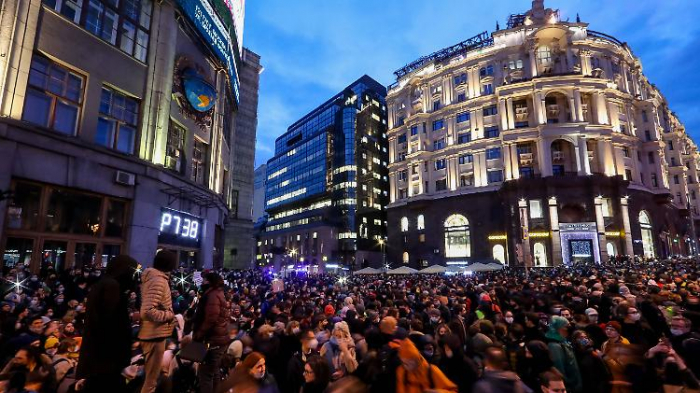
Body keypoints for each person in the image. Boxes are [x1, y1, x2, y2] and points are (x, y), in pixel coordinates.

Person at [77, 254, 138, 393]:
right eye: (132, 271)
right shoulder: (112, 286)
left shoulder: (102, 284)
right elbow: (112, 322)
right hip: (107, 358)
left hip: (98, 355)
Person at [138, 250, 177, 393]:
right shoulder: (159, 281)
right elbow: (147, 311)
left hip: (154, 333)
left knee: (151, 377)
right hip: (154, 334)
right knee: (151, 381)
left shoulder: (154, 278)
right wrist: (169, 315)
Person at [194, 272, 231, 393]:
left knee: (205, 374)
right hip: (218, 338)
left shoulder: (213, 295)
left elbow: (211, 318)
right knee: (213, 372)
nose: (202, 282)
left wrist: (199, 333)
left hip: (212, 339)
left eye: (204, 280)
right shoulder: (217, 293)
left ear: (209, 282)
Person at [545, 316, 581, 393]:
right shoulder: (554, 346)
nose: (569, 328)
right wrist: (567, 386)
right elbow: (559, 369)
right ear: (559, 328)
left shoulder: (563, 341)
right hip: (568, 387)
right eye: (566, 326)